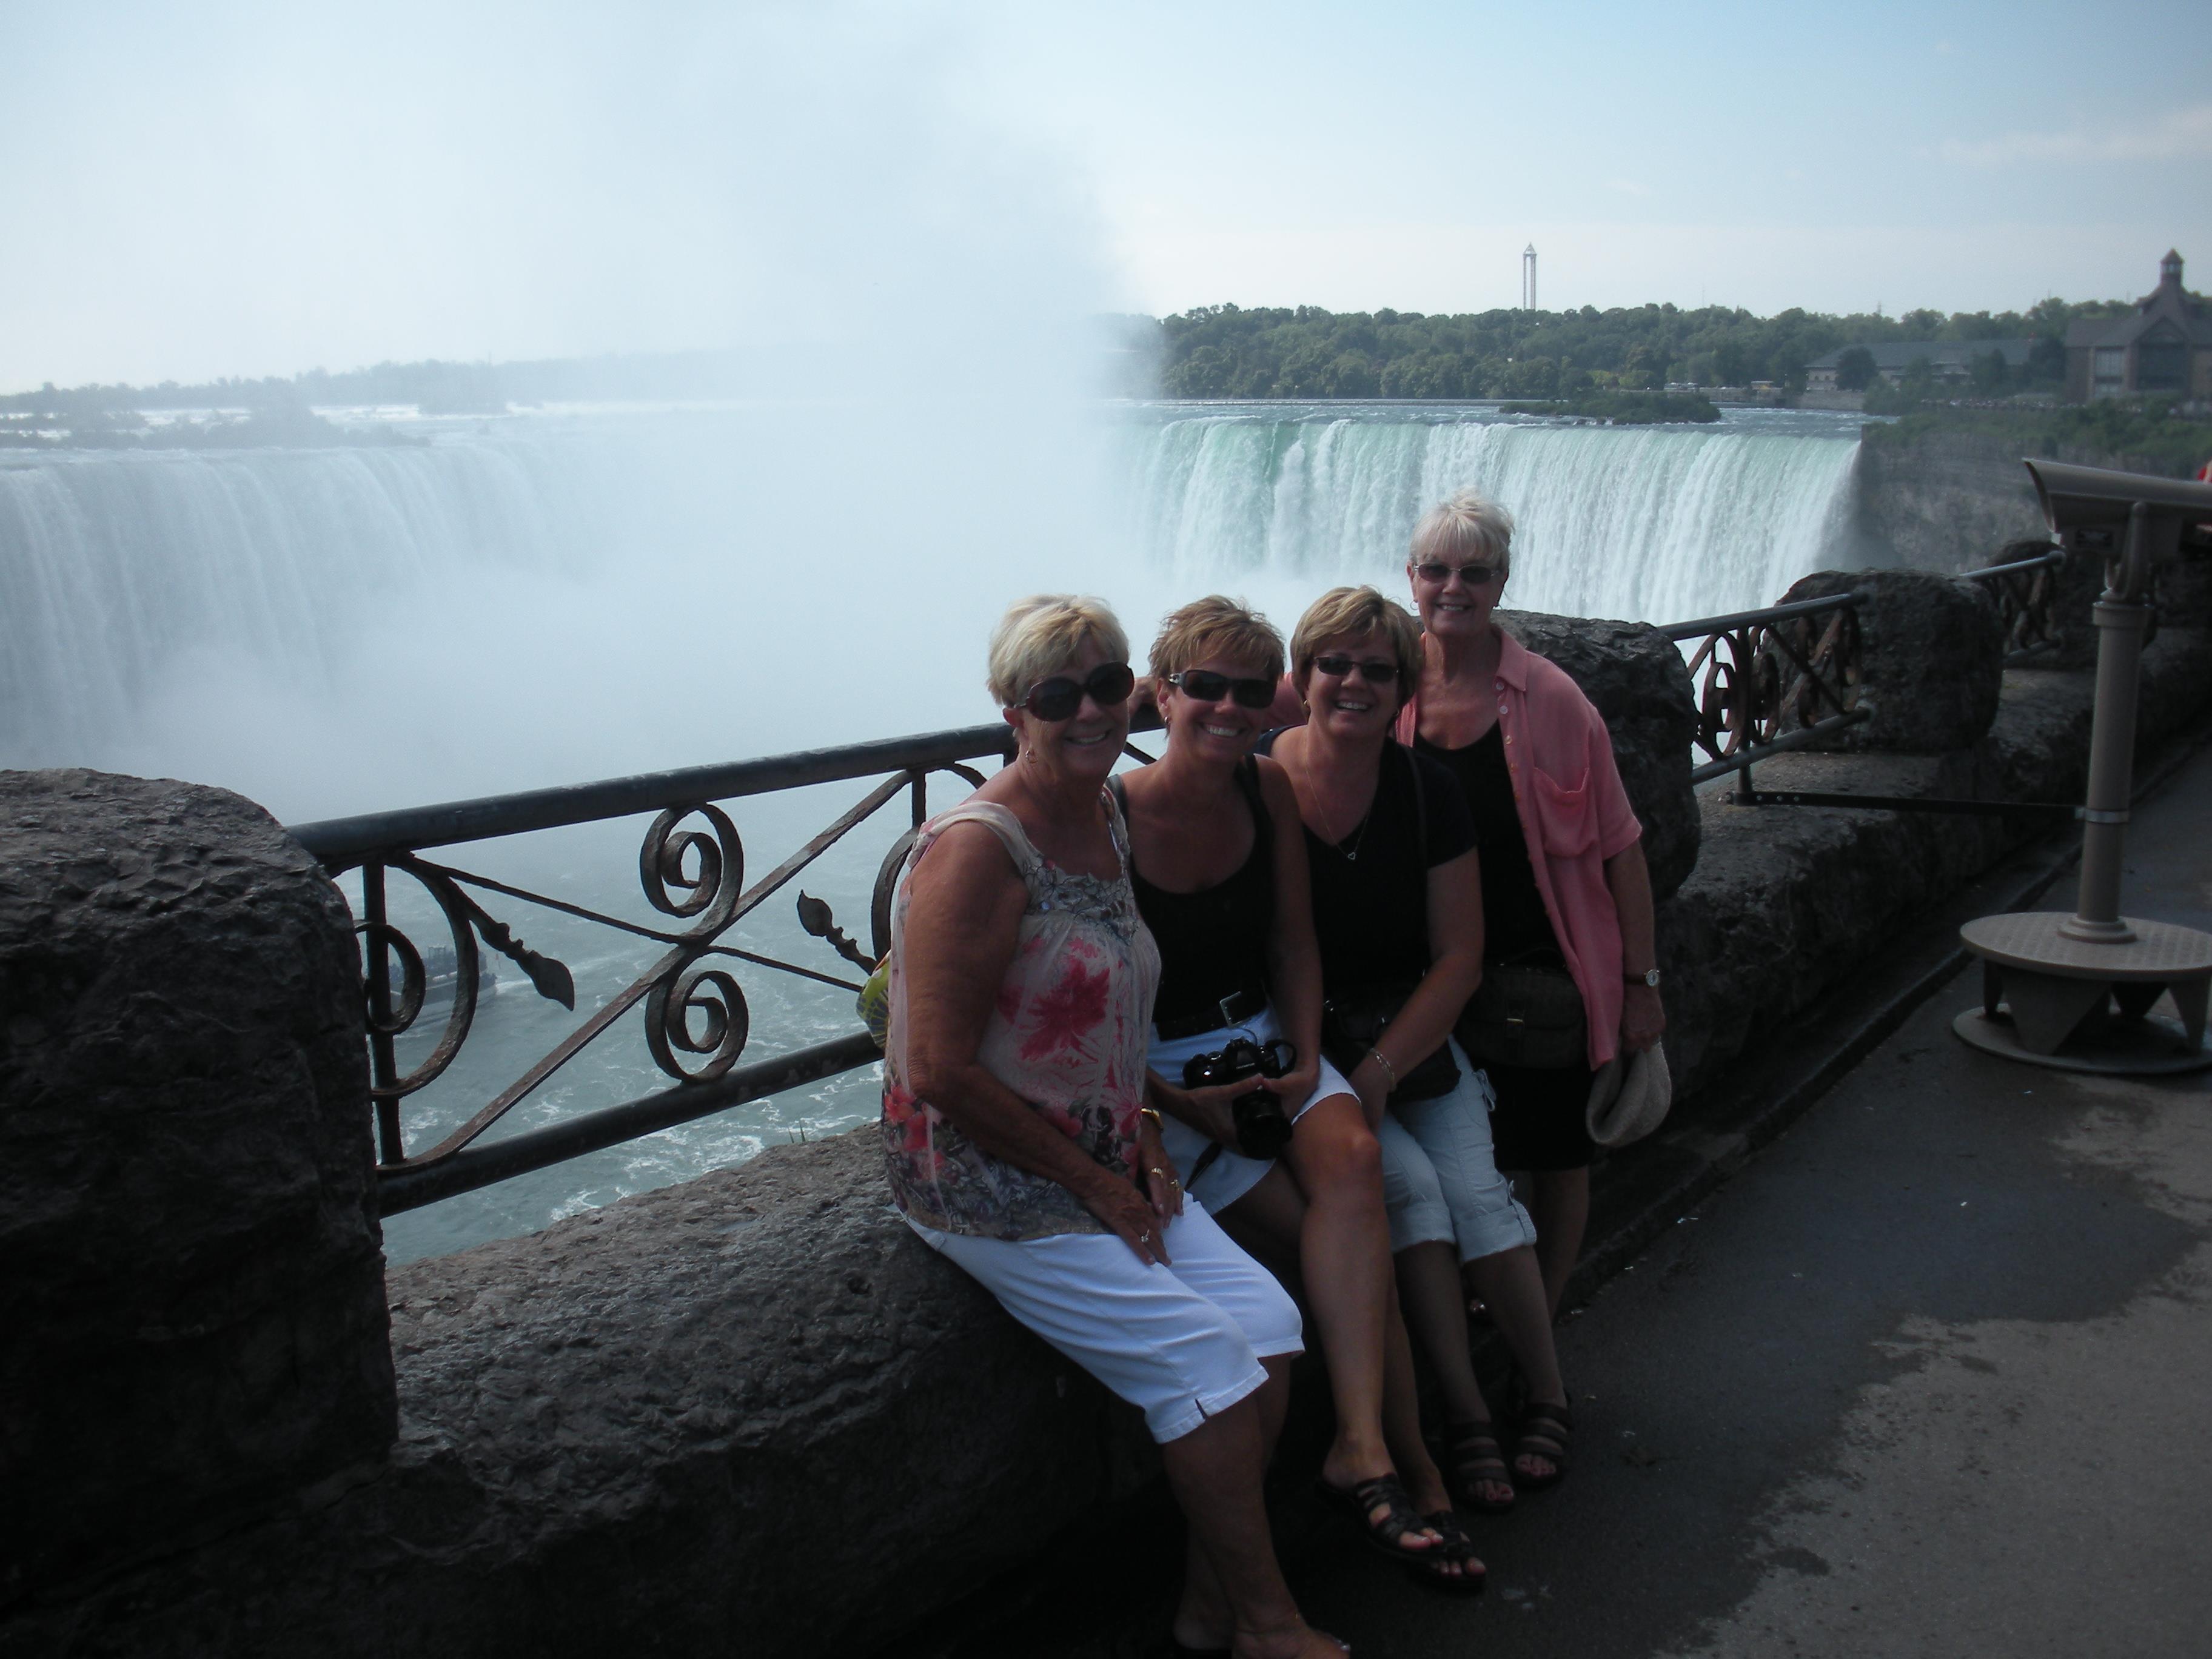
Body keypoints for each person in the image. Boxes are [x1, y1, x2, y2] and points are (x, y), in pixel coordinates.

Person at [882, 595, 1345, 1659]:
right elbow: (937, 1069)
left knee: (1268, 1334)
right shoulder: (979, 851)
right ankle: (1271, 1625)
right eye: (1060, 694)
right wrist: (1096, 1186)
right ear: (1013, 710)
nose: (1092, 710)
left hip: (1097, 1149)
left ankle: (1210, 1601)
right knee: (1206, 1366)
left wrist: (1142, 1119)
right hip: (982, 1179)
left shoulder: (1106, 814)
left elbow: (1106, 1017)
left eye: (1108, 685)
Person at [1116, 597, 1481, 1593]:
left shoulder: (1267, 790)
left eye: (1248, 690)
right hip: (1162, 1068)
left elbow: (1292, 941)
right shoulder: (1110, 818)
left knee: (1355, 1161)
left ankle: (1364, 1450)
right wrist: (1172, 1100)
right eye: (1206, 687)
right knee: (1342, 1253)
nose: (1231, 708)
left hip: (1262, 1039)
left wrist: (1304, 1058)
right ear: (1163, 694)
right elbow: (1086, 1004)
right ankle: (1407, 1473)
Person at [1256, 586, 1575, 1503]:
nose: (1354, 683)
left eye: (1377, 669)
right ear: (1304, 676)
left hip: (1414, 1036)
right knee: (1411, 1192)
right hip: (1314, 1045)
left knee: (1477, 1196)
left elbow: (1461, 956)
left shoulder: (1426, 792)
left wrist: (1383, 1071)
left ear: (1403, 689)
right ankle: (1469, 1413)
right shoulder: (1268, 784)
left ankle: (1549, 1390)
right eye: (1334, 664)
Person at [1396, 488, 1666, 1332]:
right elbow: (1290, 699)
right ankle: (1496, 1310)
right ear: (1411, 579)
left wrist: (1641, 982)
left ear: (1501, 582)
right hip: (1433, 979)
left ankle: (1536, 1326)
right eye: (1437, 570)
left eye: (1473, 573)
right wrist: (1160, 691)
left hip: (1544, 974)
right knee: (1472, 1164)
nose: (1454, 588)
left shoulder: (1552, 701)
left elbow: (1621, 847)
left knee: (1554, 1159)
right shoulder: (1385, 682)